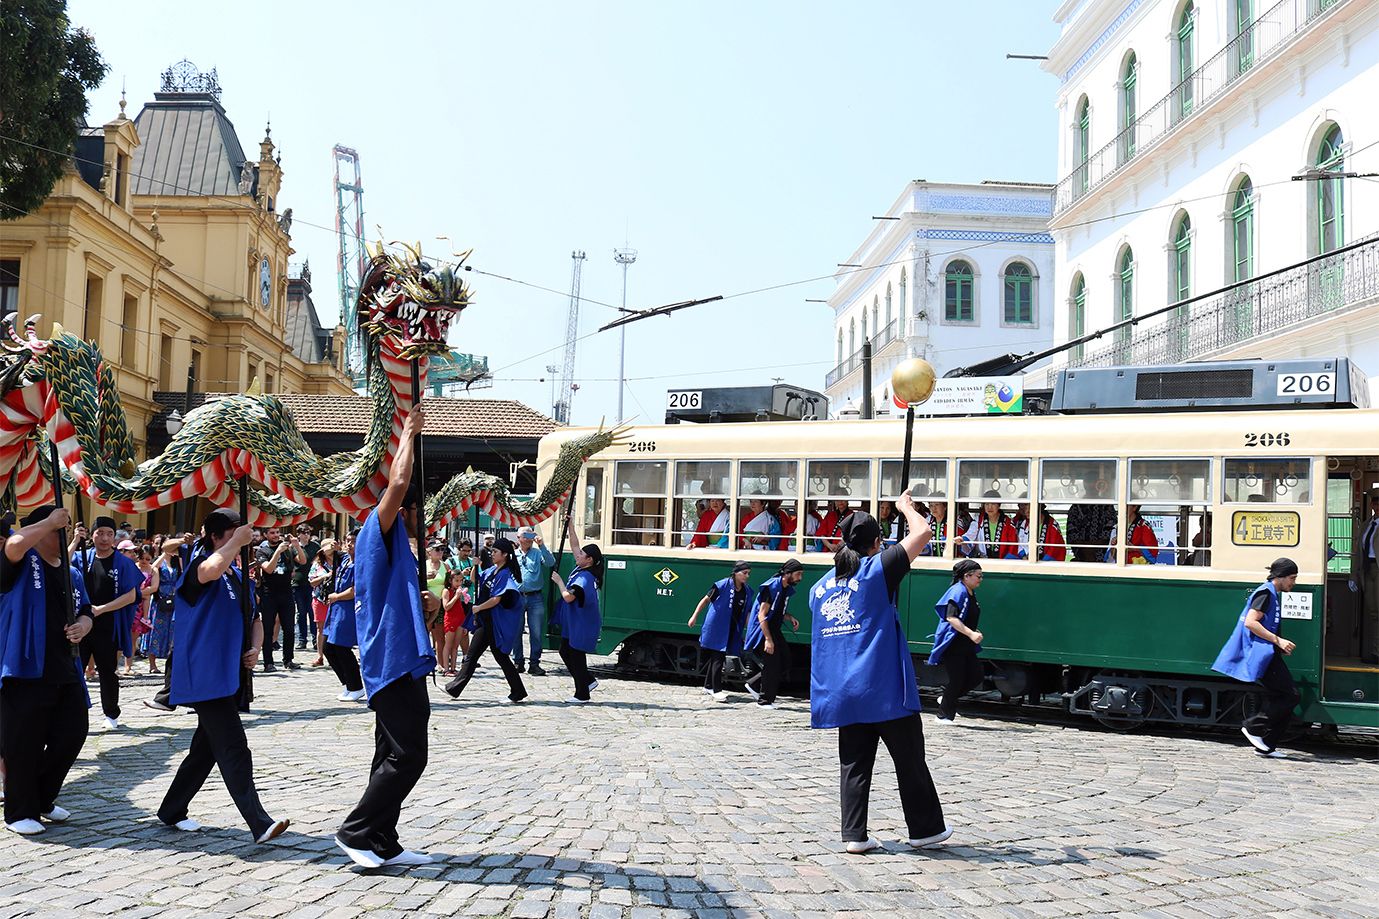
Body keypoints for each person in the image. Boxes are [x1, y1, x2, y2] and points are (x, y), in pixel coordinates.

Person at [809, 493, 950, 854]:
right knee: (910, 760)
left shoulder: (818, 588)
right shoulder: (877, 570)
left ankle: (854, 835)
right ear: (877, 543)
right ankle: (926, 829)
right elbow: (922, 532)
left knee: (854, 764)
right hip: (881, 686)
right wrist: (905, 508)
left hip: (839, 689)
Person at [336, 408, 441, 868]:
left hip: (403, 656)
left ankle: (383, 839)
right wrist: (409, 435)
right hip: (390, 658)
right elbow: (396, 486)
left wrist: (427, 604)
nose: (428, 522)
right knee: (409, 754)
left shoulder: (397, 546)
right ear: (407, 510)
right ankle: (355, 831)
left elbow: (395, 597)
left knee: (391, 752)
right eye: (425, 512)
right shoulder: (376, 531)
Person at [157, 508, 289, 843]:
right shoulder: (202, 564)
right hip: (204, 674)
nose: (242, 539)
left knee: (205, 750)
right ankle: (259, 822)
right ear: (215, 536)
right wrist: (236, 543)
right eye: (232, 532)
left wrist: (257, 648)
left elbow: (256, 618)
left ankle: (171, 809)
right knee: (233, 747)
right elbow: (210, 570)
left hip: (229, 675)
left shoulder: (238, 575)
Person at [1, 506, 94, 836]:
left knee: (72, 733)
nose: (63, 533)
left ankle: (42, 797)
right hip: (26, 668)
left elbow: (86, 611)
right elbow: (12, 546)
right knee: (23, 742)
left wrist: (83, 626)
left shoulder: (72, 573)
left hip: (65, 667)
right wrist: (48, 521)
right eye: (59, 529)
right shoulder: (23, 561)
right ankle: (18, 812)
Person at [1211, 558, 1302, 758]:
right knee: (1290, 696)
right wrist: (1278, 641)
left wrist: (1278, 646)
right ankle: (1254, 727)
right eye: (1292, 578)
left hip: (1268, 652)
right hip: (1262, 653)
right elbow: (1251, 623)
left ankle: (1267, 745)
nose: (1293, 583)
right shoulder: (1265, 593)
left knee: (1284, 696)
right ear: (1280, 577)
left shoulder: (1271, 593)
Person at [73, 516, 142, 730]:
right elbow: (62, 567)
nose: (104, 538)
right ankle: (72, 712)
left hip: (107, 624)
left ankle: (111, 714)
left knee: (107, 670)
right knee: (74, 669)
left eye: (109, 534)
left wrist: (101, 610)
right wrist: (75, 540)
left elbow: (131, 596)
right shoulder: (82, 556)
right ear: (91, 534)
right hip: (79, 624)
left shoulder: (123, 562)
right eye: (100, 533)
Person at [444, 537, 528, 703]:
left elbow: (496, 599)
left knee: (472, 655)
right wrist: (475, 565)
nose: (492, 554)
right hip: (485, 619)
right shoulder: (492, 570)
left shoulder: (504, 574)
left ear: (504, 555)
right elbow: (476, 579)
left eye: (495, 552)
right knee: (500, 657)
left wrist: (478, 608)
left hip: (491, 620)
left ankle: (454, 688)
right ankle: (518, 691)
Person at [550, 513, 603, 704]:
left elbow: (568, 596)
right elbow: (574, 545)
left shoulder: (584, 578)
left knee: (576, 654)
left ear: (589, 560)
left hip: (583, 623)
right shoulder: (583, 567)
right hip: (576, 622)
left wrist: (559, 582)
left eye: (582, 554)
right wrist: (571, 525)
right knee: (565, 650)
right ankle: (587, 681)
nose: (577, 554)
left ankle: (582, 694)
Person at [928, 560, 986, 723]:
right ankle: (943, 714)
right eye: (978, 576)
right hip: (954, 643)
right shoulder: (958, 592)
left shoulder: (970, 592)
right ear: (966, 576)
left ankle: (947, 698)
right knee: (957, 678)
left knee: (976, 676)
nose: (980, 579)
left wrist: (973, 633)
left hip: (965, 643)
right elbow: (951, 617)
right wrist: (970, 633)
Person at [743, 558, 804, 708]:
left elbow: (776, 610)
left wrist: (789, 617)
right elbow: (761, 615)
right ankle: (764, 700)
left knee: (786, 661)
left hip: (774, 629)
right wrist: (768, 639)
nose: (800, 578)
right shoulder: (771, 588)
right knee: (772, 664)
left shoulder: (784, 589)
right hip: (764, 630)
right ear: (788, 573)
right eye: (798, 574)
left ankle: (754, 684)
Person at [688, 560, 752, 702]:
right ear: (735, 573)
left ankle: (708, 686)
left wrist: (749, 631)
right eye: (744, 573)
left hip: (731, 627)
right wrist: (694, 617)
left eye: (748, 573)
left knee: (718, 656)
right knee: (718, 656)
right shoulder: (722, 585)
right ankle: (716, 690)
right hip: (716, 626)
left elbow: (746, 613)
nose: (747, 576)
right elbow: (705, 600)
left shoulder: (747, 591)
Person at [322, 529, 365, 703]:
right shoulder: (346, 560)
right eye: (348, 541)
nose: (350, 545)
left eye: (353, 541)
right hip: (336, 609)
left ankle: (356, 686)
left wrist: (337, 597)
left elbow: (356, 590)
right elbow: (327, 554)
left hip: (347, 609)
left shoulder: (361, 564)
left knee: (341, 647)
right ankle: (347, 683)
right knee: (328, 648)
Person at [255, 525, 305, 671]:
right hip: (269, 594)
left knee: (289, 628)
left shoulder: (288, 550)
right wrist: (277, 552)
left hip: (287, 593)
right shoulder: (262, 551)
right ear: (265, 535)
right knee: (268, 629)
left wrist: (297, 546)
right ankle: (268, 662)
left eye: (277, 532)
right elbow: (269, 569)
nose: (276, 535)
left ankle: (288, 660)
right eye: (272, 533)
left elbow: (302, 561)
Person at [512, 527, 555, 676]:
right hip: (517, 597)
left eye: (531, 534)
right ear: (518, 537)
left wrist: (542, 545)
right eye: (526, 535)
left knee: (536, 632)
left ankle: (534, 663)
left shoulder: (537, 553)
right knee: (516, 630)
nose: (529, 538)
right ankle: (518, 661)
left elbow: (550, 562)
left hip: (535, 597)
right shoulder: (513, 555)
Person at [145, 537, 182, 675]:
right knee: (156, 630)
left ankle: (170, 661)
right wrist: (164, 554)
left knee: (172, 631)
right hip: (160, 600)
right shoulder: (159, 561)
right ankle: (152, 663)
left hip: (174, 599)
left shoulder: (176, 561)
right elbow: (152, 569)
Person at [1066, 475, 1115, 562]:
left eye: (1093, 483)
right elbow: (1071, 533)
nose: (1090, 486)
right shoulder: (1076, 507)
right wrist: (1086, 550)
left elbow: (1111, 532)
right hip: (1081, 556)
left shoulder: (1107, 506)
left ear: (1099, 485)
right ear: (1084, 485)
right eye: (1088, 483)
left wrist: (1092, 549)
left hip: (1102, 558)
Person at [1354, 494, 1379, 664]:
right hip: (1367, 569)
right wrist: (1353, 575)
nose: (1376, 504)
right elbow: (1358, 550)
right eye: (1374, 501)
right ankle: (1376, 652)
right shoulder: (1367, 524)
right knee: (1374, 613)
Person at [955, 491, 1016, 560]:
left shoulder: (1008, 522)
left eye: (993, 504)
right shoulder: (979, 520)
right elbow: (970, 534)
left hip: (1003, 561)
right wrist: (962, 539)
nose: (989, 507)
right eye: (987, 504)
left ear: (999, 505)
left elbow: (1013, 545)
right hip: (983, 560)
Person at [291, 523, 321, 654]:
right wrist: (298, 546)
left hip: (312, 583)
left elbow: (318, 560)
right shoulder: (293, 548)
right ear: (299, 534)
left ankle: (315, 639)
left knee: (313, 612)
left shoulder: (315, 546)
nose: (306, 535)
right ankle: (302, 639)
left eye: (308, 533)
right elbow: (300, 560)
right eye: (304, 533)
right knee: (301, 612)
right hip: (298, 582)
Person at [308, 540, 337, 668]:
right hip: (320, 598)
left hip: (336, 598)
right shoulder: (317, 565)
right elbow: (312, 582)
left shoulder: (341, 562)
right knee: (321, 627)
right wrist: (326, 576)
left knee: (335, 626)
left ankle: (335, 654)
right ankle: (320, 655)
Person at [129, 544, 157, 675]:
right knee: (128, 636)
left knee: (135, 636)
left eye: (148, 559)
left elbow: (154, 588)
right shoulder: (133, 567)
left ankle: (129, 665)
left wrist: (140, 593)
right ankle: (126, 666)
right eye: (142, 558)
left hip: (143, 604)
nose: (144, 561)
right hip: (131, 603)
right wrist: (141, 593)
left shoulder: (153, 570)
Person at [440, 568, 470, 676]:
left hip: (460, 618)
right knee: (448, 645)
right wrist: (456, 596)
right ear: (450, 580)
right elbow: (446, 607)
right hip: (450, 619)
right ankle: (446, 669)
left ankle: (453, 667)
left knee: (456, 646)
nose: (459, 583)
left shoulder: (458, 590)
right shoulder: (446, 591)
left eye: (461, 580)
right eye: (456, 580)